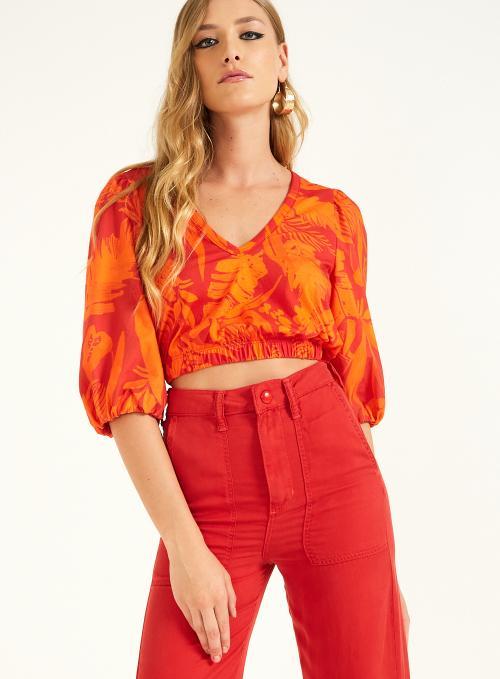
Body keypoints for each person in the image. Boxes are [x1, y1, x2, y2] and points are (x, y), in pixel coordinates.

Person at [78, 0, 411, 676]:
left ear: (280, 61)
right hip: (206, 490)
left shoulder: (332, 217)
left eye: (249, 34)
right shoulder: (136, 204)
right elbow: (125, 393)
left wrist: (387, 575)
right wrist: (184, 548)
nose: (231, 51)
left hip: (335, 478)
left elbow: (353, 396)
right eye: (207, 41)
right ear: (190, 68)